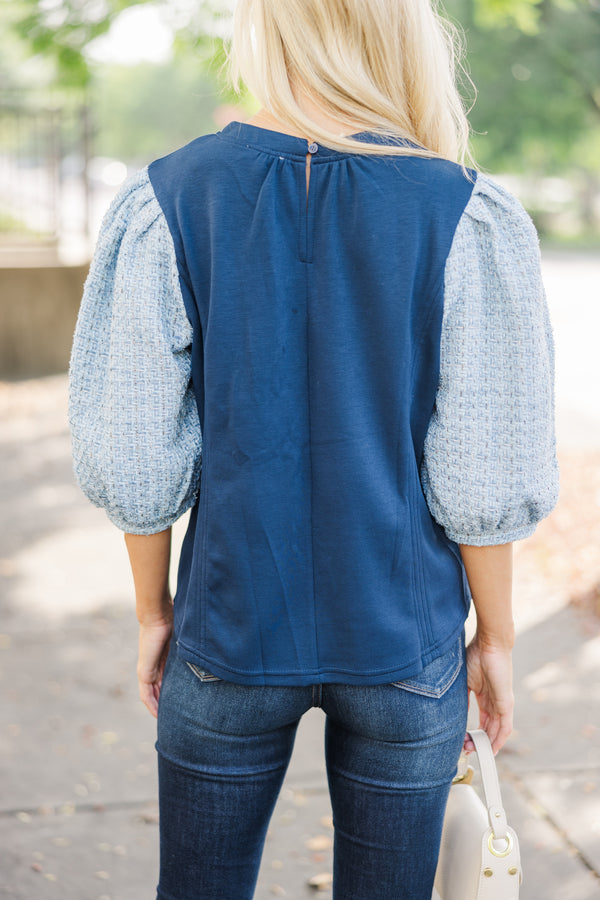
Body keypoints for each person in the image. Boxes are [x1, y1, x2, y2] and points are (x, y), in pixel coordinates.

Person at [68, 0, 559, 897]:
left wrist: (153, 615)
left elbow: (137, 459)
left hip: (227, 628)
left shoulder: (166, 199)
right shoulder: (467, 211)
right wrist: (496, 637)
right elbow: (483, 470)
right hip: (404, 639)